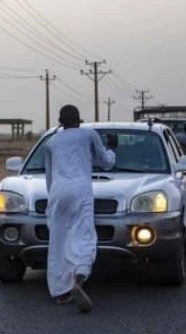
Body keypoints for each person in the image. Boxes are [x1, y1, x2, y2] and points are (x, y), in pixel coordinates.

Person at [44, 105, 117, 313]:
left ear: (61, 121)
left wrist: (52, 205)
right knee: (83, 237)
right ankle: (79, 277)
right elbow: (106, 163)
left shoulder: (51, 142)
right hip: (81, 190)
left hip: (58, 192)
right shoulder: (88, 135)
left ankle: (61, 291)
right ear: (78, 120)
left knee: (59, 242)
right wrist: (113, 150)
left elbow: (50, 178)